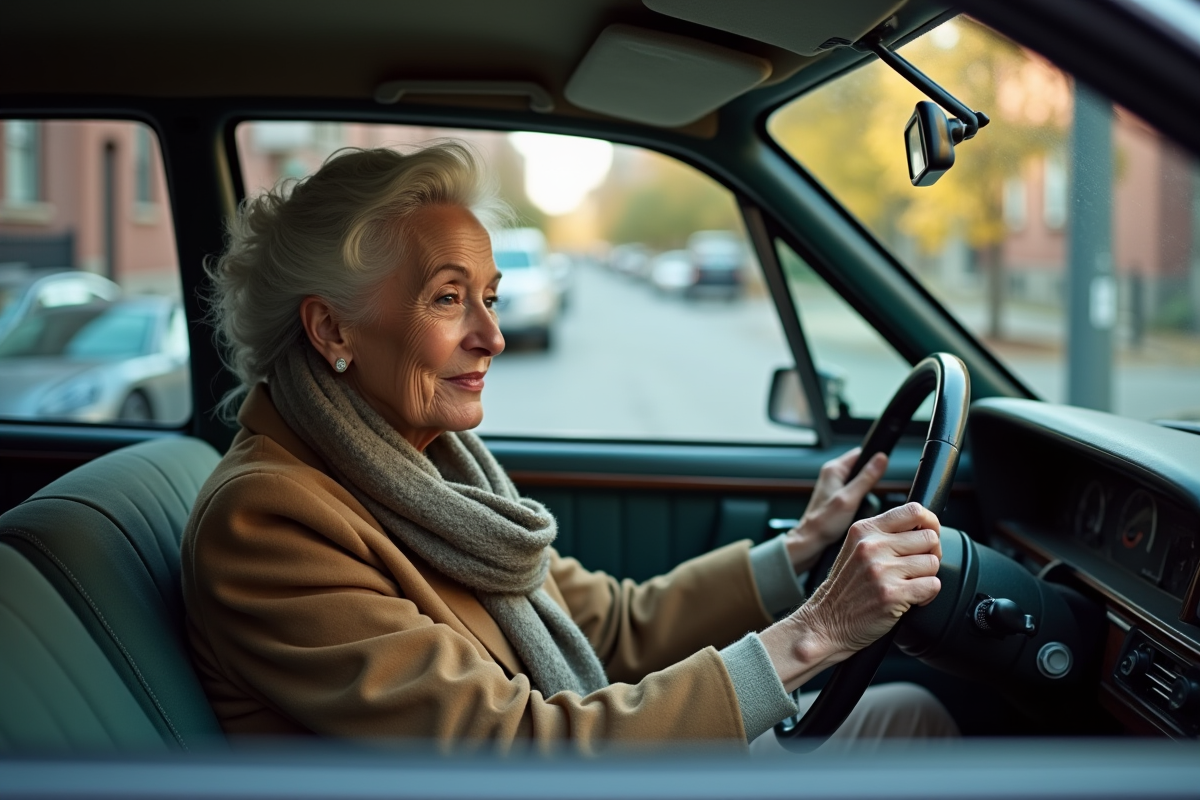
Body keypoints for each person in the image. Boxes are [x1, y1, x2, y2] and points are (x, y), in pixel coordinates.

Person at [182, 142, 957, 752]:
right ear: (332, 330)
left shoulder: (422, 473)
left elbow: (613, 627)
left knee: (911, 716)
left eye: (488, 297)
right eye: (449, 298)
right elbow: (510, 749)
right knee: (914, 725)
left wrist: (801, 550)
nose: (492, 335)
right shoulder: (268, 521)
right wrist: (815, 633)